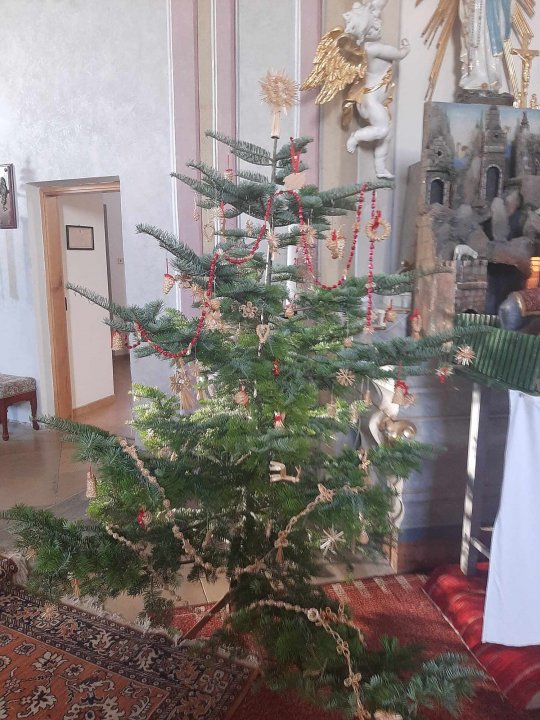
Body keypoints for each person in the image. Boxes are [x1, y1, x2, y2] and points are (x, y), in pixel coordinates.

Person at [341, 2, 410, 178]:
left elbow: (376, 8)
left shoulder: (366, 46)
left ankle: (380, 168)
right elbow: (400, 54)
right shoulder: (374, 49)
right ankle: (356, 137)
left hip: (373, 99)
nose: (377, 29)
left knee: (387, 135)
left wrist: (373, 8)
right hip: (370, 101)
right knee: (382, 130)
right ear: (365, 35)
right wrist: (406, 48)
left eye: (377, 25)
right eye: (372, 29)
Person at [458, 0, 511, 92]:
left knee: (489, 44)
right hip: (475, 10)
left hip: (492, 13)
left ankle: (491, 80)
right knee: (474, 44)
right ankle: (474, 80)